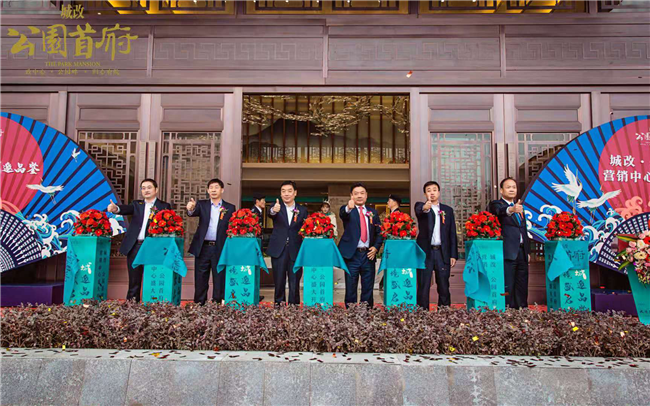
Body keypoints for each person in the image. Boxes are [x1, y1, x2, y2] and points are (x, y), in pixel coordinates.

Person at [107, 178, 171, 302]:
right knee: (134, 279)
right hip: (135, 246)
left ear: (156, 190)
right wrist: (116, 209)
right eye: (143, 188)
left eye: (149, 187)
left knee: (151, 276)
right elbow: (126, 209)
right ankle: (131, 305)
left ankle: (151, 304)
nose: (146, 190)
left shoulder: (164, 206)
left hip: (152, 247)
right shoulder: (137, 204)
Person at [186, 178, 236, 305]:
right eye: (211, 188)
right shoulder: (202, 204)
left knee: (219, 277)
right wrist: (191, 208)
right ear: (208, 190)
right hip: (203, 247)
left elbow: (232, 226)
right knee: (200, 277)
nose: (213, 190)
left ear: (222, 190)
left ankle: (217, 304)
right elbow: (192, 213)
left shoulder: (230, 207)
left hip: (220, 247)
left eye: (216, 187)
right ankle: (199, 303)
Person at [414, 181, 459, 309]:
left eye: (434, 190)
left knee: (444, 285)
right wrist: (425, 207)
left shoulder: (447, 210)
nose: (432, 193)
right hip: (426, 253)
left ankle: (444, 312)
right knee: (423, 284)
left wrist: (453, 255)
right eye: (429, 190)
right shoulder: (421, 206)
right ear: (425, 194)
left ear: (439, 192)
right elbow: (419, 211)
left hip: (442, 253)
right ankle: (422, 313)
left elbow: (452, 233)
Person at [338, 183, 383, 308]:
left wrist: (376, 247)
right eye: (356, 193)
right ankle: (351, 312)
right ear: (351, 196)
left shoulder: (373, 212)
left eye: (362, 193)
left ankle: (366, 312)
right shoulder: (348, 210)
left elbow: (380, 232)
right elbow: (343, 214)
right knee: (351, 286)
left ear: (366, 195)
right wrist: (348, 207)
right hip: (352, 255)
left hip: (368, 254)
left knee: (368, 286)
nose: (359, 196)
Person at [488, 177, 530, 309]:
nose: (512, 189)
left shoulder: (519, 207)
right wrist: (511, 210)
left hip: (522, 251)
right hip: (507, 252)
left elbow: (523, 230)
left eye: (514, 187)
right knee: (508, 283)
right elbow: (499, 211)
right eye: (508, 187)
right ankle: (508, 311)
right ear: (501, 190)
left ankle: (522, 309)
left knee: (522, 283)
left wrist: (527, 251)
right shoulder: (496, 204)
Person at [267, 181, 308, 305]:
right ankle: (279, 305)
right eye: (283, 191)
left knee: (294, 281)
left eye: (289, 191)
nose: (286, 194)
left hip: (295, 249)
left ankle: (293, 307)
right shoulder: (276, 206)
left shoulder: (302, 210)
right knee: (279, 280)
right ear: (280, 194)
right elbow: (271, 213)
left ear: (295, 193)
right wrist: (274, 210)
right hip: (279, 249)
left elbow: (306, 228)